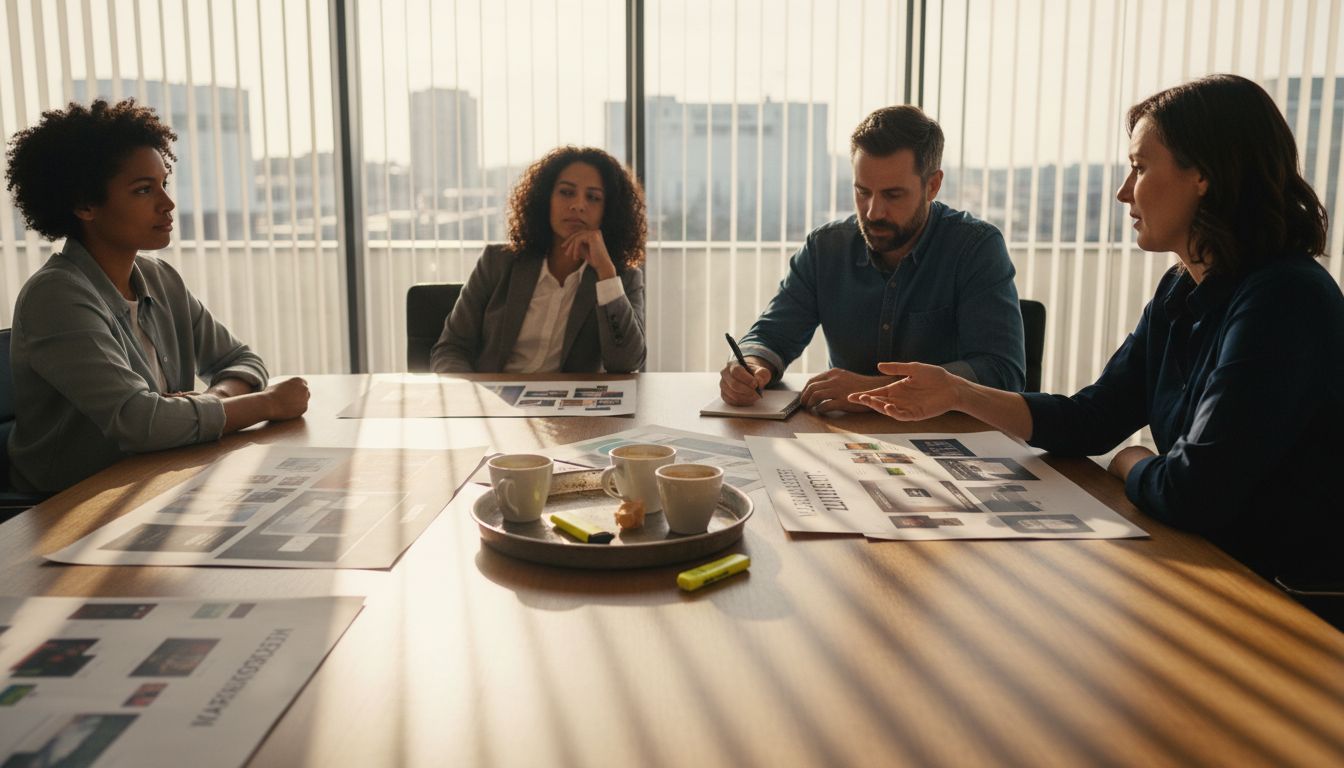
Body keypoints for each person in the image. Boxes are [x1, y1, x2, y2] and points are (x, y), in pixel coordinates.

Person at [850, 75, 1344, 625]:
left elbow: (1190, 492)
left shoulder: (1284, 298)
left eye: (1140, 167)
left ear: (1203, 174)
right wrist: (958, 393)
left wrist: (1130, 460)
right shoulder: (1182, 288)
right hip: (1212, 573)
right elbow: (1093, 418)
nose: (1123, 192)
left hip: (1290, 605)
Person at [4, 99, 309, 494]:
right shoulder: (55, 298)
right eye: (144, 190)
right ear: (84, 204)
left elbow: (240, 360)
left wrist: (215, 400)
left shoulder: (160, 279)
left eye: (164, 184)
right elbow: (142, 423)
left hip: (157, 480)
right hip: (71, 506)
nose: (168, 204)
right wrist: (268, 404)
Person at [719, 105, 1026, 412]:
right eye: (862, 192)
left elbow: (1002, 374)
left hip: (947, 433)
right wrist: (750, 367)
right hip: (844, 437)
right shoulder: (825, 248)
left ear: (932, 186)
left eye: (893, 195)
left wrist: (870, 391)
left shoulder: (975, 248)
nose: (873, 212)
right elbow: (770, 336)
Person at [431, 146, 646, 373]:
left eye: (593, 197)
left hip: (568, 397)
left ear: (608, 211)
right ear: (546, 199)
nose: (578, 205)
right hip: (494, 393)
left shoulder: (620, 278)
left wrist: (606, 275)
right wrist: (469, 392)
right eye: (566, 192)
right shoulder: (497, 262)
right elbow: (451, 348)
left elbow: (626, 363)